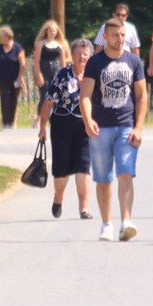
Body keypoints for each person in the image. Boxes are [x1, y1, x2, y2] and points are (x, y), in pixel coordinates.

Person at [80, 17, 147, 242]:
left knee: (125, 172)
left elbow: (141, 96)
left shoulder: (134, 61)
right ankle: (106, 223)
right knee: (104, 178)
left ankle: (126, 221)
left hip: (126, 125)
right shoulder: (95, 62)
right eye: (115, 35)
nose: (120, 39)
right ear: (105, 36)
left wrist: (139, 127)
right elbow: (85, 95)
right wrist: (88, 120)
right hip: (101, 128)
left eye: (123, 35)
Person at [38, 39, 94, 220]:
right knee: (62, 169)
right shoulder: (63, 75)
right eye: (78, 53)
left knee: (83, 166)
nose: (82, 57)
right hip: (62, 125)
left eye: (85, 54)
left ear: (90, 56)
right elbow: (48, 101)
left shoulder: (94, 75)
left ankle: (84, 208)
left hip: (85, 127)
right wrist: (42, 127)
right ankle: (58, 197)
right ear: (72, 55)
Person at [33, 20, 72, 129]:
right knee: (44, 95)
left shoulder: (60, 45)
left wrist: (64, 75)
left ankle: (54, 119)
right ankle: (39, 118)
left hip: (56, 69)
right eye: (50, 30)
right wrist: (38, 74)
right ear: (46, 31)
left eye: (54, 31)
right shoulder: (41, 44)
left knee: (56, 95)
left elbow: (63, 62)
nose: (52, 32)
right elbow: (36, 60)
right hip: (44, 69)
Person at [0, 26, 28, 129]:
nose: (0, 39)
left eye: (1, 37)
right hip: (2, 77)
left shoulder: (17, 48)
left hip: (15, 78)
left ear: (7, 36)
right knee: (4, 98)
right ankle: (5, 122)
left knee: (13, 99)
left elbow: (22, 64)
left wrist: (20, 77)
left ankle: (11, 121)